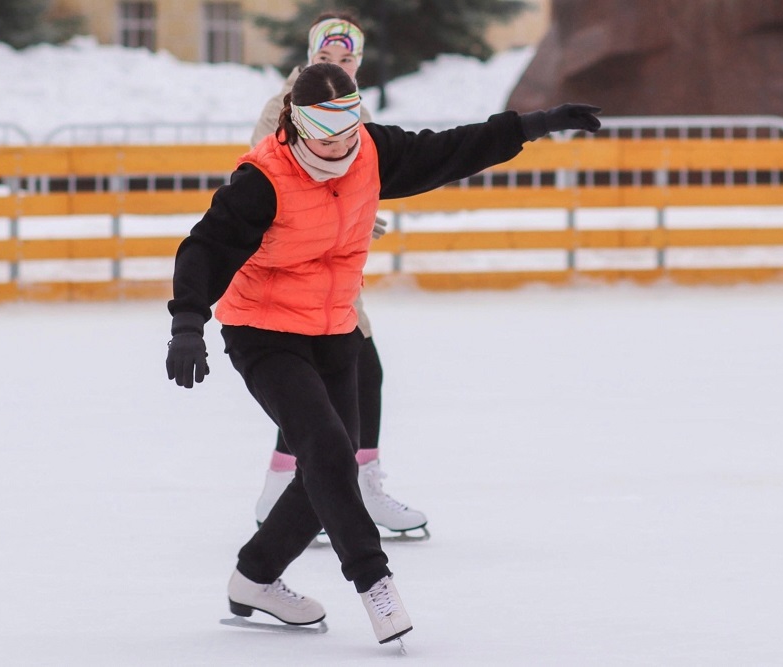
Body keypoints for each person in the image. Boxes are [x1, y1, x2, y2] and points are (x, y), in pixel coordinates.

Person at [165, 62, 600, 644]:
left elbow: (450, 149)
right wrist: (188, 324)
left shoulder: (370, 152)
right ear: (297, 123)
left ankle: (255, 576)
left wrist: (532, 125)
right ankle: (375, 585)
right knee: (324, 449)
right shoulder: (264, 179)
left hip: (336, 329)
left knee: (329, 467)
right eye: (328, 129)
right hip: (264, 331)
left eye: (350, 124)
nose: (342, 141)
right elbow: (205, 248)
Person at [249, 12, 428, 540]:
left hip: (335, 269)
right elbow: (261, 181)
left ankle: (306, 486)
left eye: (347, 59)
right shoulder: (283, 109)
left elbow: (360, 173)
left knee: (343, 378)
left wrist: (362, 214)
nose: (337, 67)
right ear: (310, 59)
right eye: (327, 59)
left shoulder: (355, 109)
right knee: (337, 379)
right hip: (293, 268)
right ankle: (317, 487)